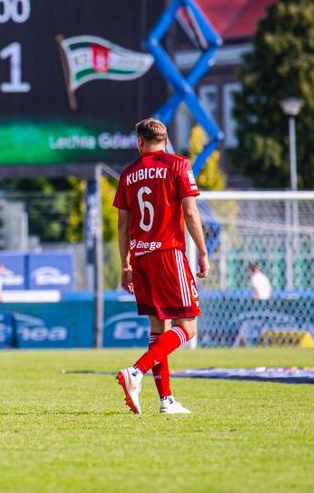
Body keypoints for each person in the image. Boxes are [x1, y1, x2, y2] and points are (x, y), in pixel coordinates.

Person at [114, 118, 208, 416]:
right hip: (168, 254)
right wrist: (203, 251)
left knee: (158, 329)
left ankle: (166, 400)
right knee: (187, 328)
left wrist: (125, 262)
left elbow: (122, 225)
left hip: (140, 257)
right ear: (165, 141)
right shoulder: (178, 164)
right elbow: (190, 212)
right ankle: (136, 371)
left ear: (139, 142)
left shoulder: (128, 173)